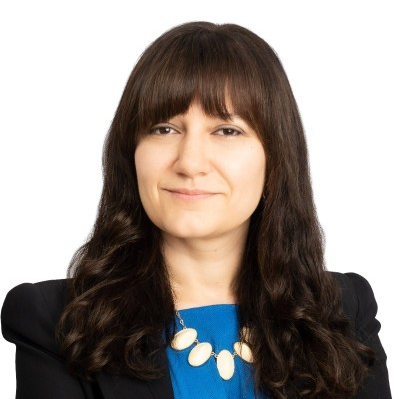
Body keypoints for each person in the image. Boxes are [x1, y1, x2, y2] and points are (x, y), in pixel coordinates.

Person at [1, 21, 391, 399]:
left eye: (227, 130)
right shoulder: (57, 324)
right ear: (131, 152)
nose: (189, 162)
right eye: (164, 129)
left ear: (275, 157)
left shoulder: (342, 312)